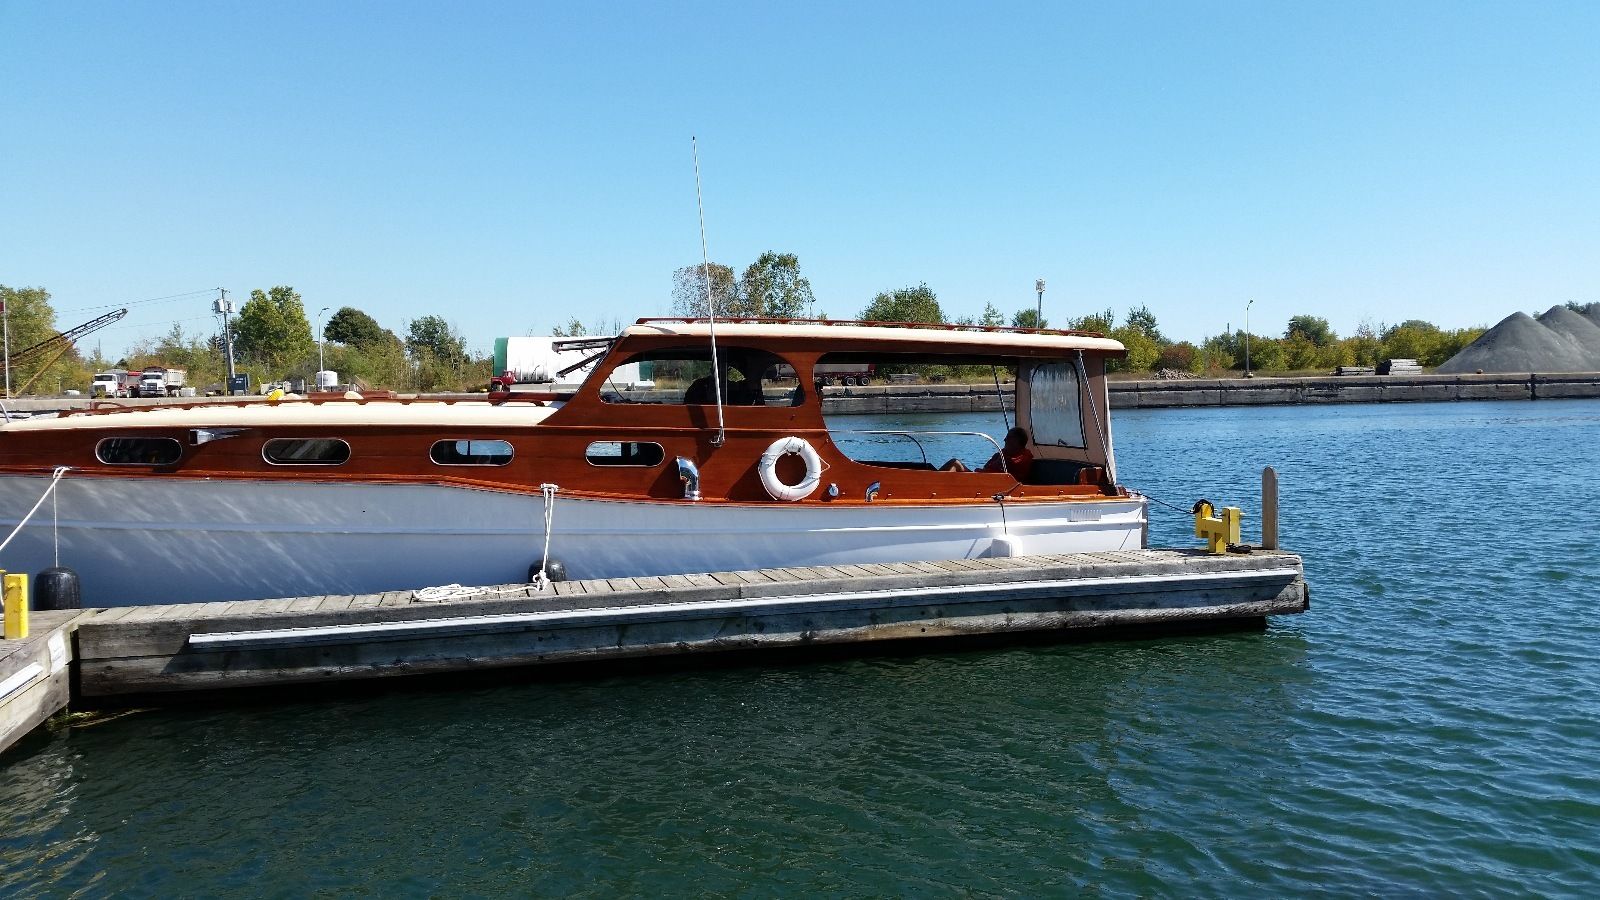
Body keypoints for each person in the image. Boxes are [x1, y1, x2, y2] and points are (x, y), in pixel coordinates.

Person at [940, 426, 1033, 480]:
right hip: (982, 479)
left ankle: (933, 487)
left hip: (990, 485)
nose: (1004, 440)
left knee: (955, 464)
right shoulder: (1001, 454)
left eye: (1008, 438)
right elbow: (988, 467)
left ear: (1016, 441)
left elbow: (1013, 477)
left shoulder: (1023, 457)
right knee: (955, 463)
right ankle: (930, 483)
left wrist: (1003, 459)